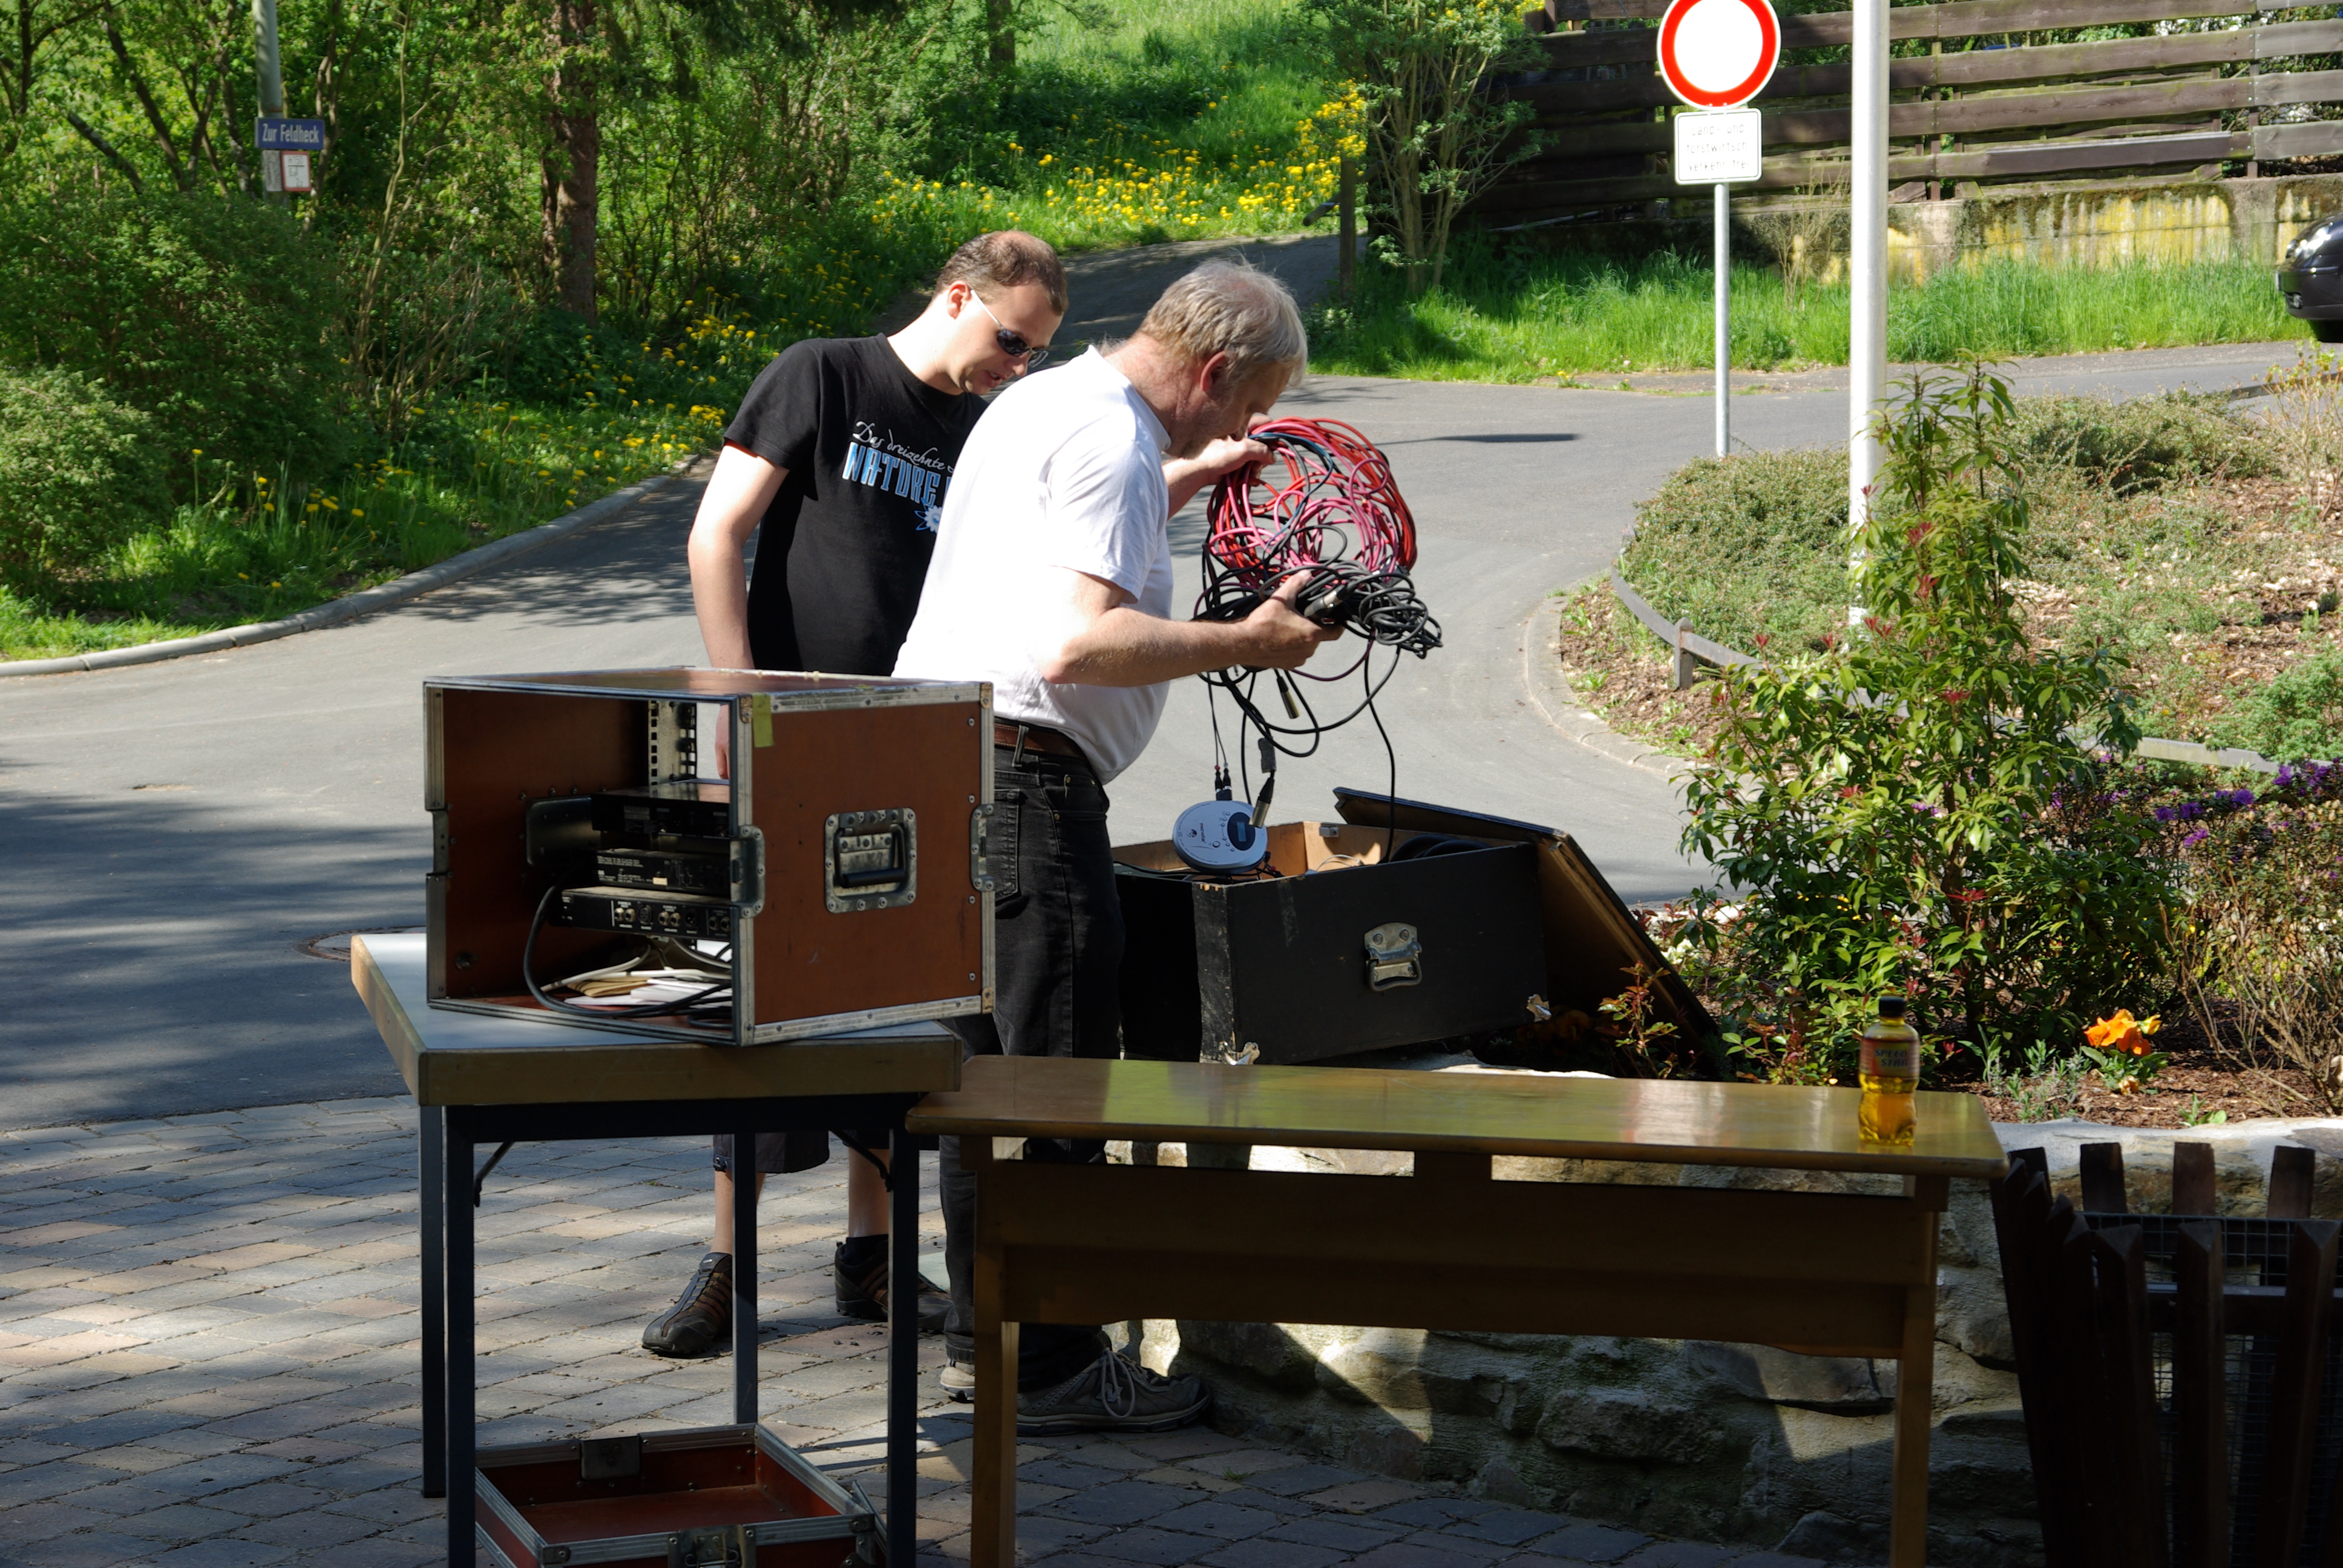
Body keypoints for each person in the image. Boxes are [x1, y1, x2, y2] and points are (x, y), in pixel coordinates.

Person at [891, 260, 1335, 1431]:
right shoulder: (1113, 442)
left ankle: (988, 1345)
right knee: (1059, 1084)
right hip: (1025, 784)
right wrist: (1249, 642)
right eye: (1245, 407)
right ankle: (1048, 1369)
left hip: (941, 764)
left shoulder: (1048, 401)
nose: (1238, 430)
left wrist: (1185, 480)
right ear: (1214, 368)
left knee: (984, 1084)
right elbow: (1076, 648)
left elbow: (1054, 549)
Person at [640, 230, 1069, 1359]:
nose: (1016, 366)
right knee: (762, 1000)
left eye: (1033, 354)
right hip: (785, 743)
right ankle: (727, 1265)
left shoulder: (983, 427)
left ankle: (871, 1259)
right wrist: (739, 702)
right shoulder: (823, 375)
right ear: (959, 296)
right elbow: (717, 533)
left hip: (914, 748)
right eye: (1011, 340)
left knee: (894, 998)